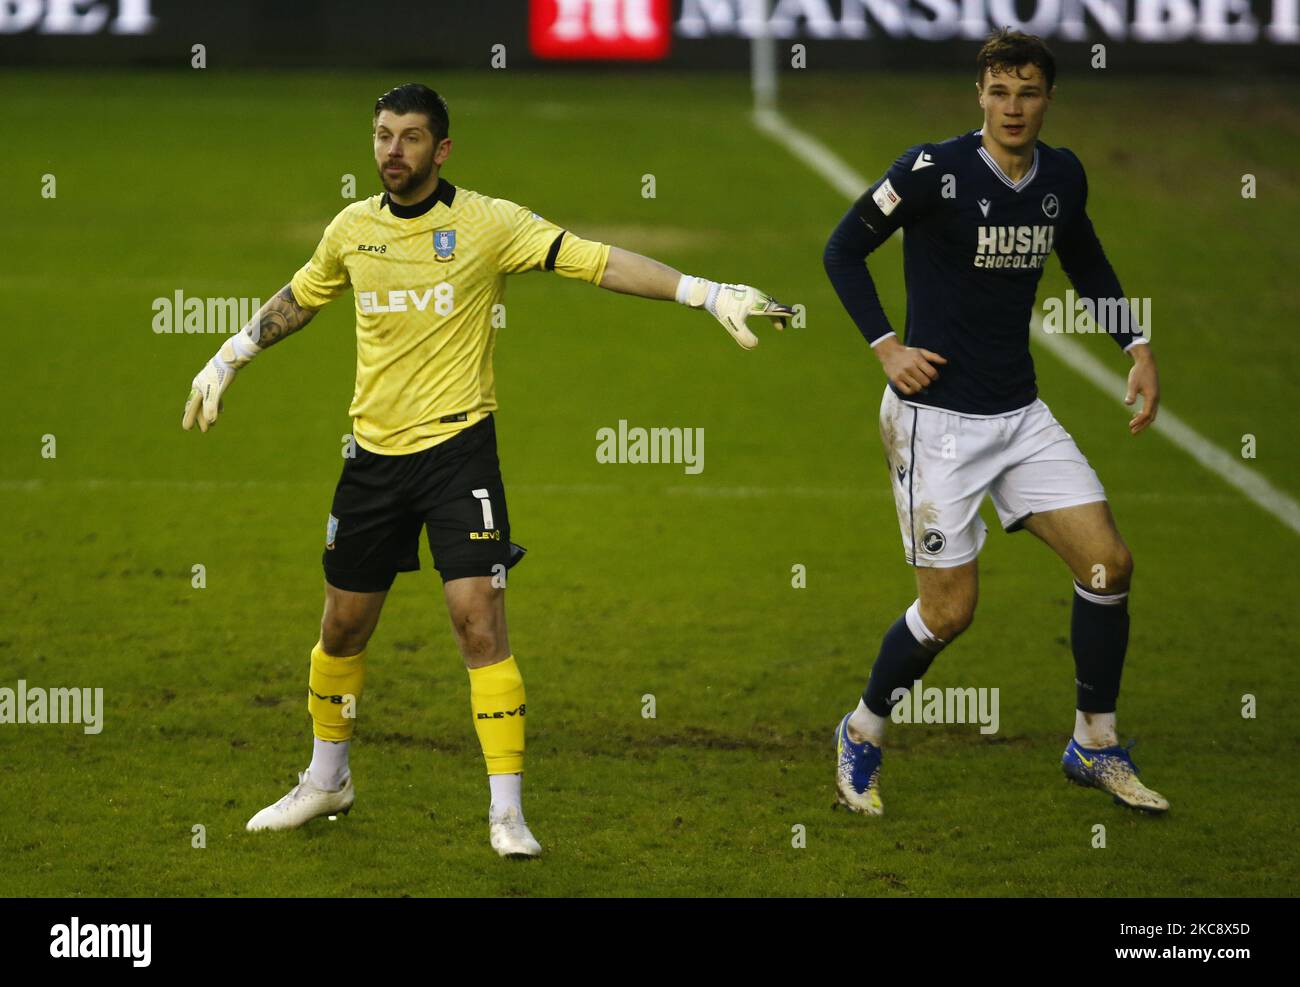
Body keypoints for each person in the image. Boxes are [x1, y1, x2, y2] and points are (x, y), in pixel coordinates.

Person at [182, 83, 793, 856]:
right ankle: (326, 779)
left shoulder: (489, 225)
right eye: (381, 136)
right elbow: (304, 295)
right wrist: (228, 357)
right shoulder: (352, 229)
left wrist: (703, 293)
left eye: (408, 138)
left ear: (441, 150)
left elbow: (596, 261)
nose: (391, 151)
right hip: (371, 458)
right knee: (343, 625)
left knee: (479, 617)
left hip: (458, 452)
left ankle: (506, 812)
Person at [822, 31, 1167, 816]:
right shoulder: (930, 171)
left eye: (1029, 92)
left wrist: (1136, 345)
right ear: (979, 94)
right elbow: (844, 249)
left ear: (1048, 99)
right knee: (949, 611)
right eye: (1000, 91)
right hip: (935, 423)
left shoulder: (1063, 177)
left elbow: (1086, 262)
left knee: (1108, 565)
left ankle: (1095, 742)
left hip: (1020, 416)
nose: (1013, 107)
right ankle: (862, 730)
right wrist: (887, 348)